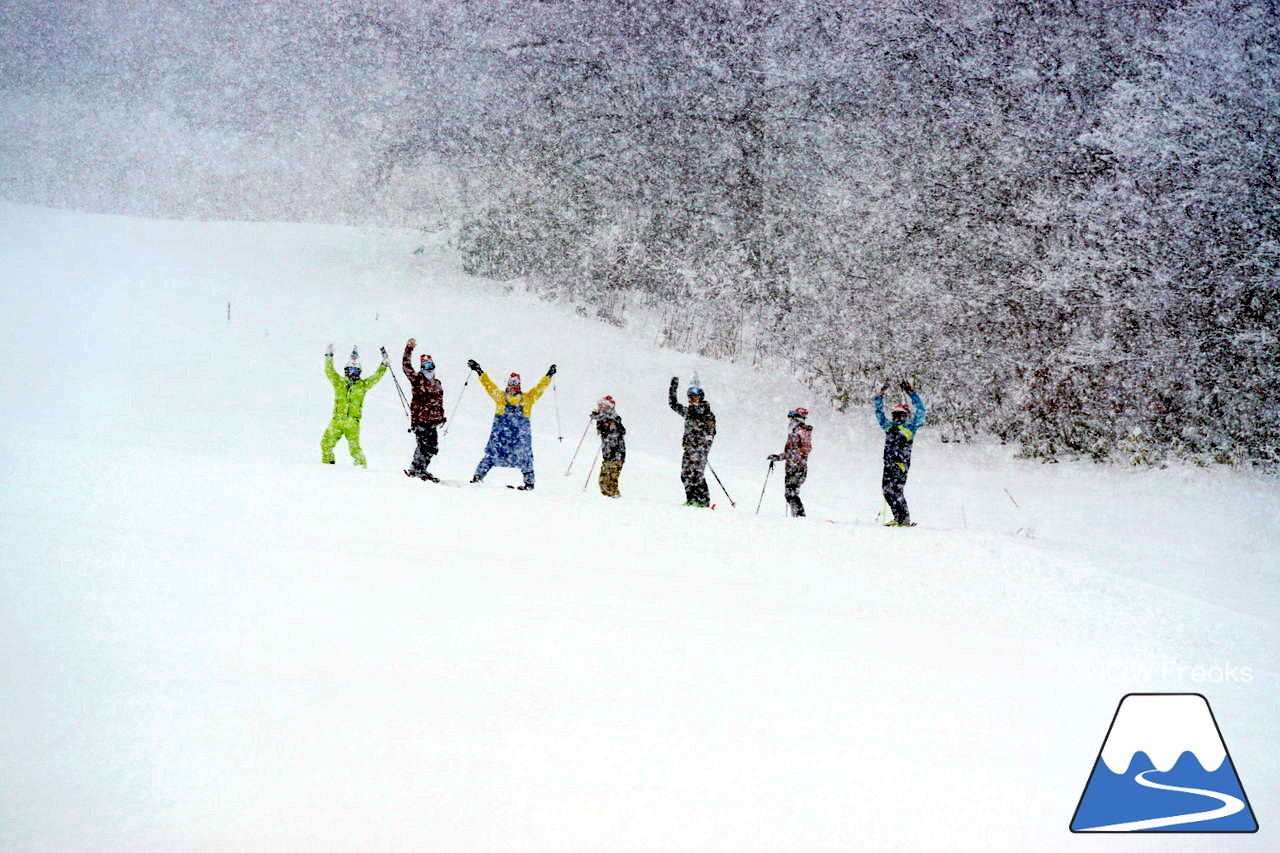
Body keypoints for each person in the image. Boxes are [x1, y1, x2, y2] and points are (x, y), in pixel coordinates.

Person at [468, 359, 556, 490]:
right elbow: (489, 385)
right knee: (494, 456)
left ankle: (529, 483)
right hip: (505, 437)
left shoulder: (527, 399)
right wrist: (479, 371)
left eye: (515, 383)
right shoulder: (501, 397)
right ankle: (477, 477)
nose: (512, 386)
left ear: (519, 385)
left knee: (523, 458)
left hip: (513, 438)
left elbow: (539, 388)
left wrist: (548, 376)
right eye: (511, 383)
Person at [321, 344, 388, 467]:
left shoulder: (362, 385)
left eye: (356, 371)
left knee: (354, 448)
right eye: (350, 370)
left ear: (359, 372)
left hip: (353, 422)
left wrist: (384, 365)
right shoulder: (339, 382)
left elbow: (376, 377)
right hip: (337, 420)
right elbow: (329, 370)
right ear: (346, 371)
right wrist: (329, 355)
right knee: (326, 444)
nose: (353, 374)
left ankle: (361, 468)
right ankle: (328, 466)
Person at [874, 380, 926, 526]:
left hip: (901, 463)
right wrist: (880, 396)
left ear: (905, 416)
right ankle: (899, 518)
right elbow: (878, 413)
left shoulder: (910, 427)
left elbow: (921, 410)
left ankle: (903, 519)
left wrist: (912, 394)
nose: (897, 418)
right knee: (887, 491)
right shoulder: (889, 427)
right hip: (888, 463)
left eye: (900, 415)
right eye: (895, 415)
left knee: (896, 491)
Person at [402, 338, 445, 481]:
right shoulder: (417, 380)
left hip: (432, 421)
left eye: (430, 364)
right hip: (421, 420)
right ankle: (417, 469)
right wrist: (409, 349)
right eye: (425, 365)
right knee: (423, 446)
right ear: (421, 368)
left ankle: (420, 468)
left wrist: (441, 416)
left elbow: (439, 402)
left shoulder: (437, 383)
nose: (429, 368)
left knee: (433, 447)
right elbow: (406, 366)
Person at [669, 375, 716, 507]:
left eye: (694, 397)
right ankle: (691, 499)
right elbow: (673, 404)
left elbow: (711, 434)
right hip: (689, 449)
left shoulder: (707, 415)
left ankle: (703, 501)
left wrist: (702, 446)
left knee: (697, 475)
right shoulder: (689, 412)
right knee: (685, 475)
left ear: (700, 397)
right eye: (689, 397)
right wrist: (673, 387)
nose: (691, 400)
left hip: (700, 450)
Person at [768, 407, 813, 517]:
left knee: (791, 494)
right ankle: (797, 515)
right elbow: (789, 451)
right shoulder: (793, 433)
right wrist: (778, 457)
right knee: (789, 494)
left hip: (798, 468)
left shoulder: (803, 431)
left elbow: (806, 449)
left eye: (792, 419)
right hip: (791, 467)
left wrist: (793, 455)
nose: (790, 421)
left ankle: (800, 516)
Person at [591, 396, 626, 498]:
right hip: (609, 455)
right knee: (603, 481)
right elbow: (601, 428)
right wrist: (598, 418)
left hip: (616, 455)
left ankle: (615, 499)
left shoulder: (613, 418)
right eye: (599, 405)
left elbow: (619, 431)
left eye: (602, 406)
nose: (600, 408)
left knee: (609, 481)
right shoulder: (605, 418)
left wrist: (606, 425)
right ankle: (610, 500)